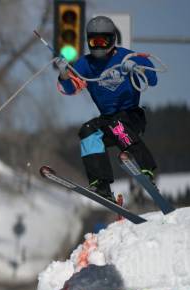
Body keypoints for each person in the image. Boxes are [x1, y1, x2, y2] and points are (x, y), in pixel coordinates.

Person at [56, 16, 159, 202]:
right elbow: (68, 89)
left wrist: (138, 69)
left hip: (131, 116)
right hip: (108, 119)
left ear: (112, 39)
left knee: (117, 123)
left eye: (102, 41)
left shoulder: (126, 57)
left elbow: (153, 79)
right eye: (93, 42)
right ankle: (100, 184)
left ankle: (146, 169)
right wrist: (64, 74)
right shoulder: (85, 65)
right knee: (87, 132)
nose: (98, 46)